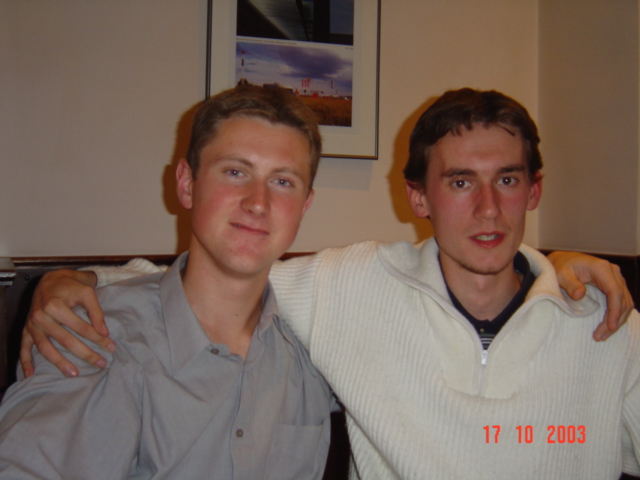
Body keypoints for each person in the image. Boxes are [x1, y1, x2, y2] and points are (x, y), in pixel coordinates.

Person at [17, 89, 638, 479]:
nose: (488, 209)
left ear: (533, 192)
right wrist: (67, 281)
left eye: (506, 181)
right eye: (235, 172)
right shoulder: (92, 333)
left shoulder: (606, 320)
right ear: (419, 197)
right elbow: (195, 283)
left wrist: (555, 267)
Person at [0, 85, 335, 479]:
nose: (258, 202)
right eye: (235, 172)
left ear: (304, 206)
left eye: (282, 182)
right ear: (187, 184)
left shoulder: (317, 348)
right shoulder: (92, 335)